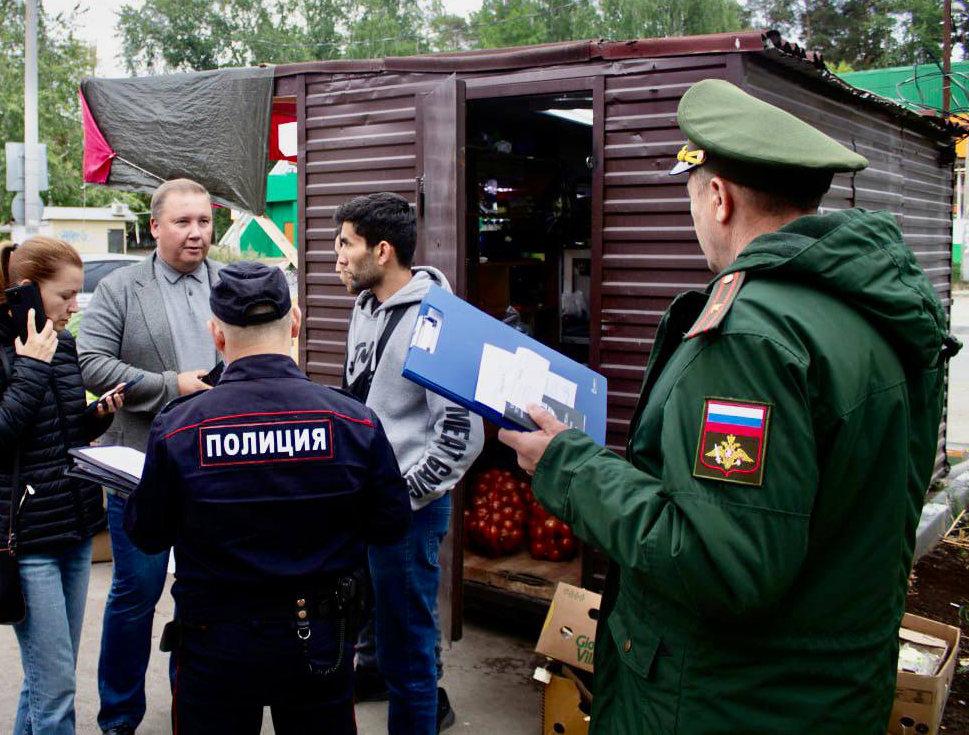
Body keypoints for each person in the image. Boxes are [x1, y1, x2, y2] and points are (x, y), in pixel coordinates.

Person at [501, 78, 962, 733]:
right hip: (830, 694)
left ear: (718, 197)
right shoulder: (874, 312)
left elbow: (721, 563)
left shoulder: (751, 338)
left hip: (727, 701)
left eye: (691, 195)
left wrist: (567, 465)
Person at [124, 261, 412, 733]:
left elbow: (147, 534)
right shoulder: (352, 421)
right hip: (319, 635)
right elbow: (391, 524)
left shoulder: (179, 427)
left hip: (215, 642)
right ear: (294, 322)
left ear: (217, 335)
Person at [0, 236, 126, 735]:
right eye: (65, 295)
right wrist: (31, 366)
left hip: (75, 526)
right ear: (27, 291)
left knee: (48, 680)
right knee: (55, 692)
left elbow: (60, 432)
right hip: (27, 540)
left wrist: (97, 415)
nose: (75, 306)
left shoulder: (61, 342)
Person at [334, 192, 485, 733]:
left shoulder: (439, 320)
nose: (337, 257)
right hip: (368, 501)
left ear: (382, 251)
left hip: (408, 512)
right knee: (375, 627)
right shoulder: (364, 306)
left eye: (346, 244)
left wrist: (403, 495)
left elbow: (462, 433)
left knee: (410, 654)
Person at [78, 177, 223, 735]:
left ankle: (197, 709)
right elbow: (91, 362)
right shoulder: (121, 288)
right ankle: (119, 716)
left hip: (213, 469)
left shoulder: (229, 284)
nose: (195, 232)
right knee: (136, 594)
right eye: (183, 222)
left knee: (204, 596)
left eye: (204, 221)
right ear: (155, 226)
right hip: (140, 468)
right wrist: (170, 385)